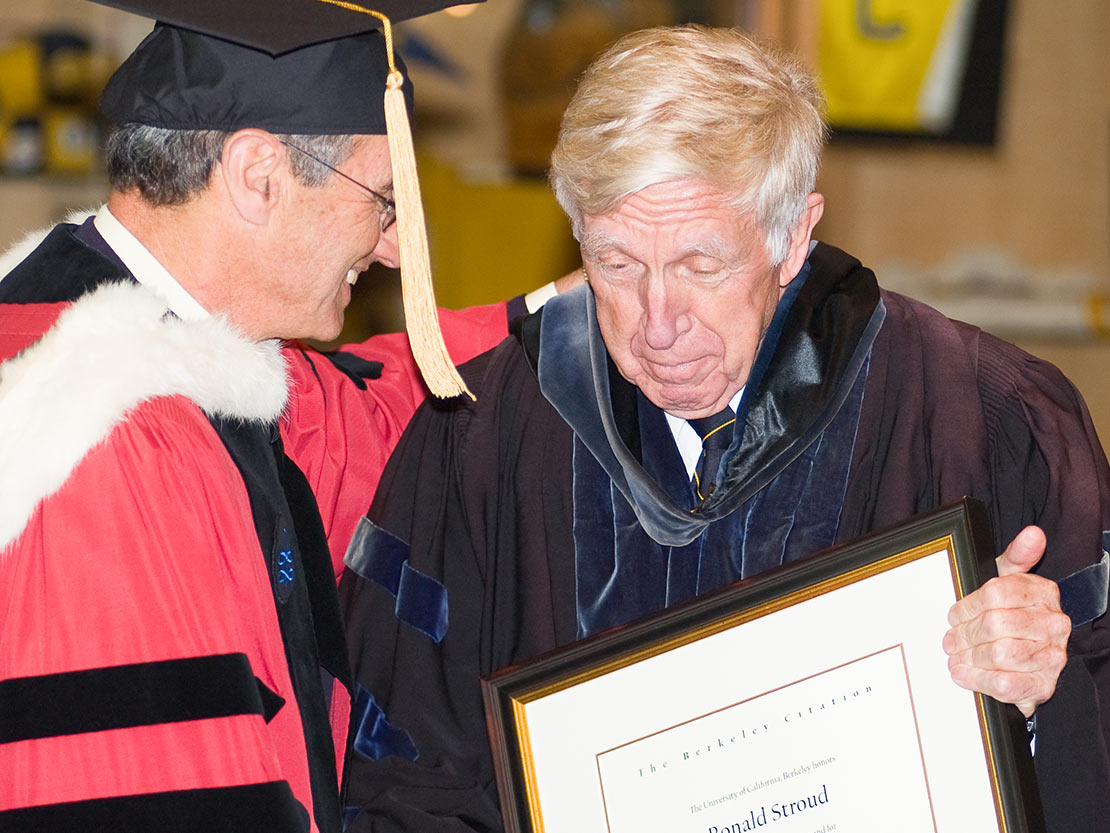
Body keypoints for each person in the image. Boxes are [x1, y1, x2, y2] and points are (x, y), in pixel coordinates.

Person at [340, 25, 1110, 833]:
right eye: (616, 263)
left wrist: (1023, 702)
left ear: (794, 236)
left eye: (701, 265)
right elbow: (405, 772)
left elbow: (1085, 737)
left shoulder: (982, 420)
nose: (658, 324)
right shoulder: (483, 436)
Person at [0, 0, 573, 830]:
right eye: (381, 200)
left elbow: (369, 413)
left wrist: (597, 295)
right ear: (258, 175)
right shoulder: (105, 447)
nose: (392, 246)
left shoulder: (143, 347)